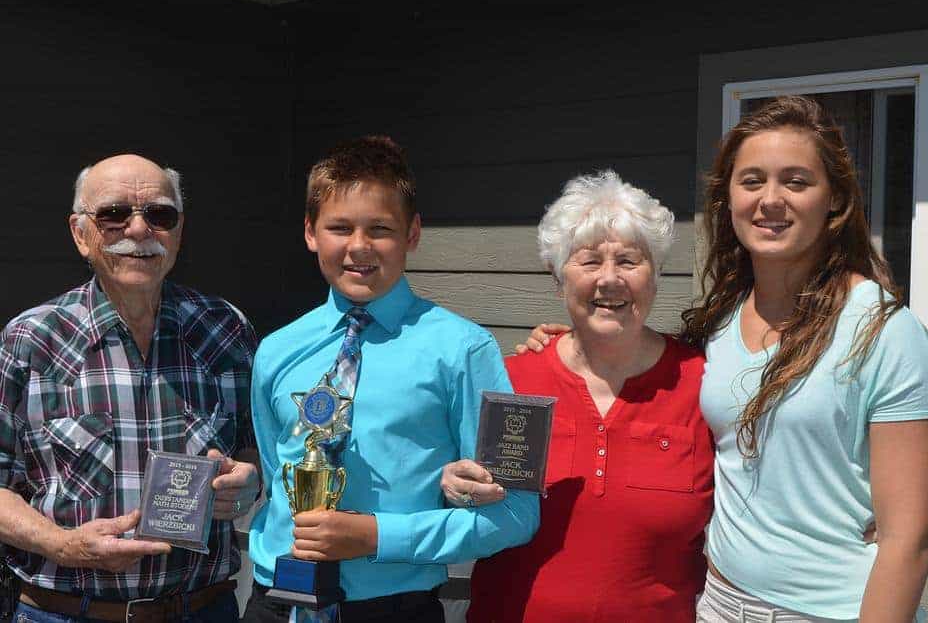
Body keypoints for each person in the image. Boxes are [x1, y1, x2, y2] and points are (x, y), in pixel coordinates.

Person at [522, 96, 928, 622]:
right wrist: (571, 342)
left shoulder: (884, 330)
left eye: (795, 181)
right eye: (752, 181)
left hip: (833, 610)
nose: (770, 199)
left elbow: (910, 541)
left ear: (834, 200)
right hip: (719, 603)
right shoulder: (717, 325)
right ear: (729, 200)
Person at [244, 135, 539, 623]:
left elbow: (515, 515)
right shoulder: (277, 350)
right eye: (339, 227)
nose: (359, 246)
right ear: (310, 233)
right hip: (275, 601)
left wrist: (377, 535)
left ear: (413, 233)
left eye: (380, 228)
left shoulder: (463, 350)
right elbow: (279, 473)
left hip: (389, 608)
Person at [441, 170, 714, 621]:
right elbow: (440, 486)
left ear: (656, 274)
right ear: (558, 276)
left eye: (629, 260)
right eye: (589, 261)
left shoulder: (701, 384)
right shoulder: (507, 382)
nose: (610, 279)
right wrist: (449, 483)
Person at [0, 154, 262, 622]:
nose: (139, 230)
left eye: (160, 215)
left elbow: (254, 448)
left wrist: (247, 481)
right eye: (114, 214)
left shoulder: (225, 330)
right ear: (81, 234)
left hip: (202, 611)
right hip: (66, 614)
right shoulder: (30, 340)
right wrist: (64, 545)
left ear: (179, 233)